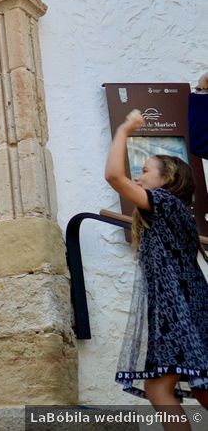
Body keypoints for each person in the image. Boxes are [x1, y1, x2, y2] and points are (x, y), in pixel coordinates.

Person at [106, 110, 208, 425]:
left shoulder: (164, 204)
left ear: (168, 179)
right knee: (196, 387)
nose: (139, 178)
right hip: (181, 308)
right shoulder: (171, 212)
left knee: (160, 386)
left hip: (181, 309)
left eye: (145, 171)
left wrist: (124, 130)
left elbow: (114, 177)